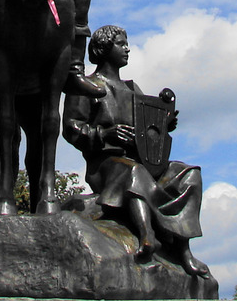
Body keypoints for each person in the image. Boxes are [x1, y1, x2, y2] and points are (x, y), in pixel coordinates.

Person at [63, 25, 210, 277]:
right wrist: (103, 134)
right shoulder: (87, 86)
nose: (127, 48)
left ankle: (184, 250)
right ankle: (147, 236)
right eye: (121, 44)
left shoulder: (133, 90)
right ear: (103, 49)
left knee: (188, 173)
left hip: (141, 160)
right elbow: (71, 128)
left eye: (126, 43)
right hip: (106, 165)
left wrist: (164, 125)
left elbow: (147, 132)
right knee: (135, 172)